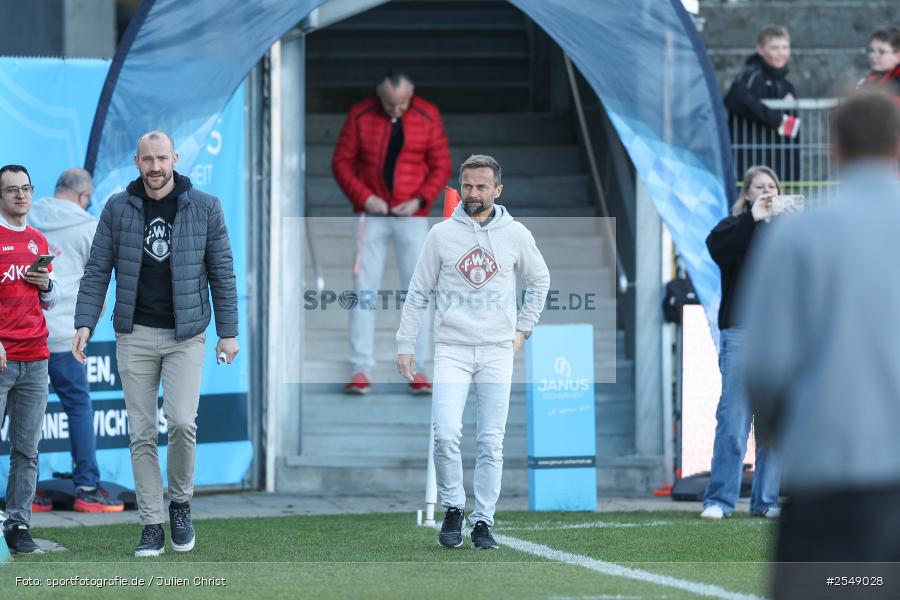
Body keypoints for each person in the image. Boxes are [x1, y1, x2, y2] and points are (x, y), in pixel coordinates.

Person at [742, 92, 900, 599]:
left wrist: (784, 432)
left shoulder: (799, 236)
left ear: (835, 150)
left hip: (832, 479)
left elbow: (764, 368)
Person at [73, 131, 239, 557]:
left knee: (182, 421)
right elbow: (97, 271)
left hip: (187, 333)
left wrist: (229, 332)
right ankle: (151, 523)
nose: (155, 166)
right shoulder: (117, 208)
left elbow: (222, 272)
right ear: (137, 161)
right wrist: (85, 323)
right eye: (148, 159)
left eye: (162, 158)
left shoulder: (205, 206)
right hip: (134, 333)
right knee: (141, 433)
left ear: (175, 158)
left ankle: (179, 504)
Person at [396, 155, 550, 549]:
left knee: (490, 441)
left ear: (498, 190)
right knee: (445, 434)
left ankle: (483, 521)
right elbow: (417, 292)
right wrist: (405, 343)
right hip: (451, 348)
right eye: (467, 186)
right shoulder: (440, 235)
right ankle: (453, 508)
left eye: (482, 186)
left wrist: (523, 330)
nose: (473, 193)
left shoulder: (516, 234)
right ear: (459, 187)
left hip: (498, 350)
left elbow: (540, 279)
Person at [332, 70, 451, 395]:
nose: (396, 110)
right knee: (363, 290)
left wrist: (420, 199)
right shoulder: (360, 114)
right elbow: (342, 162)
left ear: (411, 96)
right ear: (379, 95)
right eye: (390, 104)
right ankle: (360, 368)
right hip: (371, 214)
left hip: (413, 215)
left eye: (402, 104)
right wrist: (364, 197)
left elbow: (441, 164)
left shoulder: (428, 115)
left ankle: (421, 368)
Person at [27, 168, 124, 513]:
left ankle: (29, 492)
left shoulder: (27, 217)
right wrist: (89, 327)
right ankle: (86, 487)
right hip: (67, 336)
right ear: (83, 196)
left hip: (27, 334)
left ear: (57, 190)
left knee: (27, 415)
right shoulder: (89, 227)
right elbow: (98, 284)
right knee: (78, 408)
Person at [700, 165, 785, 521]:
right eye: (758, 186)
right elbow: (719, 249)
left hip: (780, 335)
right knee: (733, 419)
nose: (766, 191)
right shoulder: (732, 227)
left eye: (771, 186)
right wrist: (754, 218)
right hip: (741, 332)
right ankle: (719, 500)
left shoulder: (788, 231)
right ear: (746, 193)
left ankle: (765, 500)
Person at [0, 164, 60, 554]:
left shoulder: (38, 240)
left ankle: (18, 527)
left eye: (25, 188)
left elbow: (50, 302)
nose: (20, 195)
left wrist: (48, 284)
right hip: (2, 358)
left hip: (36, 357)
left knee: (27, 450)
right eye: (11, 190)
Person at [725, 25, 801, 183]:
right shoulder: (751, 76)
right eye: (774, 47)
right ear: (760, 50)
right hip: (749, 161)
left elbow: (791, 130)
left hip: (777, 163)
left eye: (785, 47)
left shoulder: (787, 85)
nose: (781, 53)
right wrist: (776, 119)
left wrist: (791, 176)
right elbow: (735, 97)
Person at [858, 26, 900, 101]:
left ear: (898, 56)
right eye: (871, 50)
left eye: (881, 52)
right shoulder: (868, 80)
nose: (873, 55)